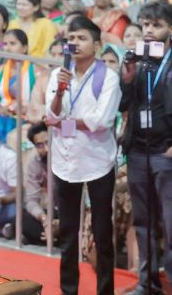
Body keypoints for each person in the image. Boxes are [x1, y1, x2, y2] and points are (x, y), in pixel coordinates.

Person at [119, 0, 172, 295]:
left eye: (156, 25)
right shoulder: (137, 60)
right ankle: (146, 284)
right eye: (145, 25)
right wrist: (127, 78)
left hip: (168, 154)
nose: (149, 31)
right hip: (138, 151)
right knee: (143, 224)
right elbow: (125, 105)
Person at [45, 16, 120, 295]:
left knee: (102, 232)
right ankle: (68, 290)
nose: (74, 43)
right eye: (71, 38)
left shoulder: (108, 77)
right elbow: (50, 114)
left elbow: (101, 120)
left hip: (98, 160)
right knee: (67, 232)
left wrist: (64, 122)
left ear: (97, 45)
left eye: (81, 38)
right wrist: (60, 93)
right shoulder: (58, 75)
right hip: (65, 160)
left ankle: (105, 290)